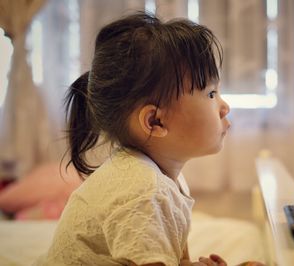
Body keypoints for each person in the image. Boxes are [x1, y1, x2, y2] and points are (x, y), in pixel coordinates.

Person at [35, 12, 264, 266]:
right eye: (211, 94)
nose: (224, 106)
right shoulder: (144, 192)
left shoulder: (159, 178)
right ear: (155, 122)